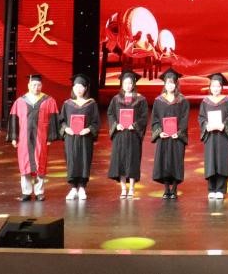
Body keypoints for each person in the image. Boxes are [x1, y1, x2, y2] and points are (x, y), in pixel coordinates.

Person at [7, 73, 60, 201]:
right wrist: (14, 137)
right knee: (24, 163)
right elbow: (14, 119)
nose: (36, 87)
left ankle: (39, 192)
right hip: (23, 139)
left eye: (39, 85)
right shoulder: (20, 101)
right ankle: (26, 192)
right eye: (34, 85)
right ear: (29, 85)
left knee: (40, 163)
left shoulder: (48, 100)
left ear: (42, 86)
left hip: (41, 138)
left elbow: (53, 119)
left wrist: (50, 137)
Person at [107, 70, 148, 198]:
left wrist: (134, 125)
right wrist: (115, 125)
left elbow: (144, 117)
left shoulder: (140, 99)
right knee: (120, 161)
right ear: (122, 84)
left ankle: (132, 188)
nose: (128, 86)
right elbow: (110, 114)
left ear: (134, 84)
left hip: (133, 135)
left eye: (130, 83)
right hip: (120, 135)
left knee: (132, 161)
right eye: (125, 83)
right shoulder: (116, 99)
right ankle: (123, 189)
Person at [60, 74, 101, 201]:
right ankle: (73, 188)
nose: (78, 89)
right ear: (73, 88)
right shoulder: (67, 104)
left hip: (85, 138)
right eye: (76, 86)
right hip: (71, 138)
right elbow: (61, 121)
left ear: (85, 88)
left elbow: (96, 122)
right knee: (71, 160)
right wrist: (66, 128)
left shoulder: (91, 104)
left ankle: (82, 187)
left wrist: (88, 129)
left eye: (81, 87)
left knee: (84, 160)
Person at [150, 67, 190, 199]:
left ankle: (174, 189)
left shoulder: (182, 100)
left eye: (172, 83)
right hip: (164, 137)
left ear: (176, 84)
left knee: (176, 161)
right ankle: (166, 189)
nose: (170, 85)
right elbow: (155, 119)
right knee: (165, 162)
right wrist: (159, 132)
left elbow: (184, 118)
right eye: (168, 83)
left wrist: (179, 132)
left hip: (176, 137)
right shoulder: (159, 100)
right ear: (164, 84)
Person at [200, 72, 228, 200]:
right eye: (213, 86)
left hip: (222, 136)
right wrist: (206, 125)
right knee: (211, 161)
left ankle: (220, 189)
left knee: (222, 161)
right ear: (210, 87)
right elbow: (201, 117)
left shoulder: (227, 101)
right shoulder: (205, 101)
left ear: (221, 87)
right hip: (210, 136)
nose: (215, 88)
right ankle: (211, 189)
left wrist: (224, 125)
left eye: (218, 86)